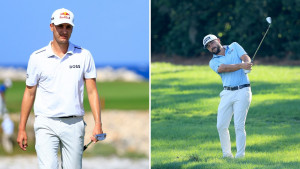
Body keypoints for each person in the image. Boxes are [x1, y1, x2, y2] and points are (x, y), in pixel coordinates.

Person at [17, 8, 103, 169]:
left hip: (74, 123)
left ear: (72, 29)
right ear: (51, 26)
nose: (64, 31)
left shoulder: (84, 55)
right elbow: (29, 93)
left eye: (68, 27)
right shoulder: (37, 57)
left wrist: (98, 124)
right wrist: (21, 129)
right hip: (45, 122)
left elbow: (92, 91)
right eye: (60, 26)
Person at [203, 34, 252, 158]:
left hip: (243, 90)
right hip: (227, 93)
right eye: (208, 46)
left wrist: (247, 64)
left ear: (218, 41)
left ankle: (240, 156)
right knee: (221, 125)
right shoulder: (213, 62)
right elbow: (223, 68)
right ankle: (227, 155)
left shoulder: (234, 46)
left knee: (239, 125)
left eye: (212, 43)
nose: (211, 46)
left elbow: (245, 57)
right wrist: (241, 65)